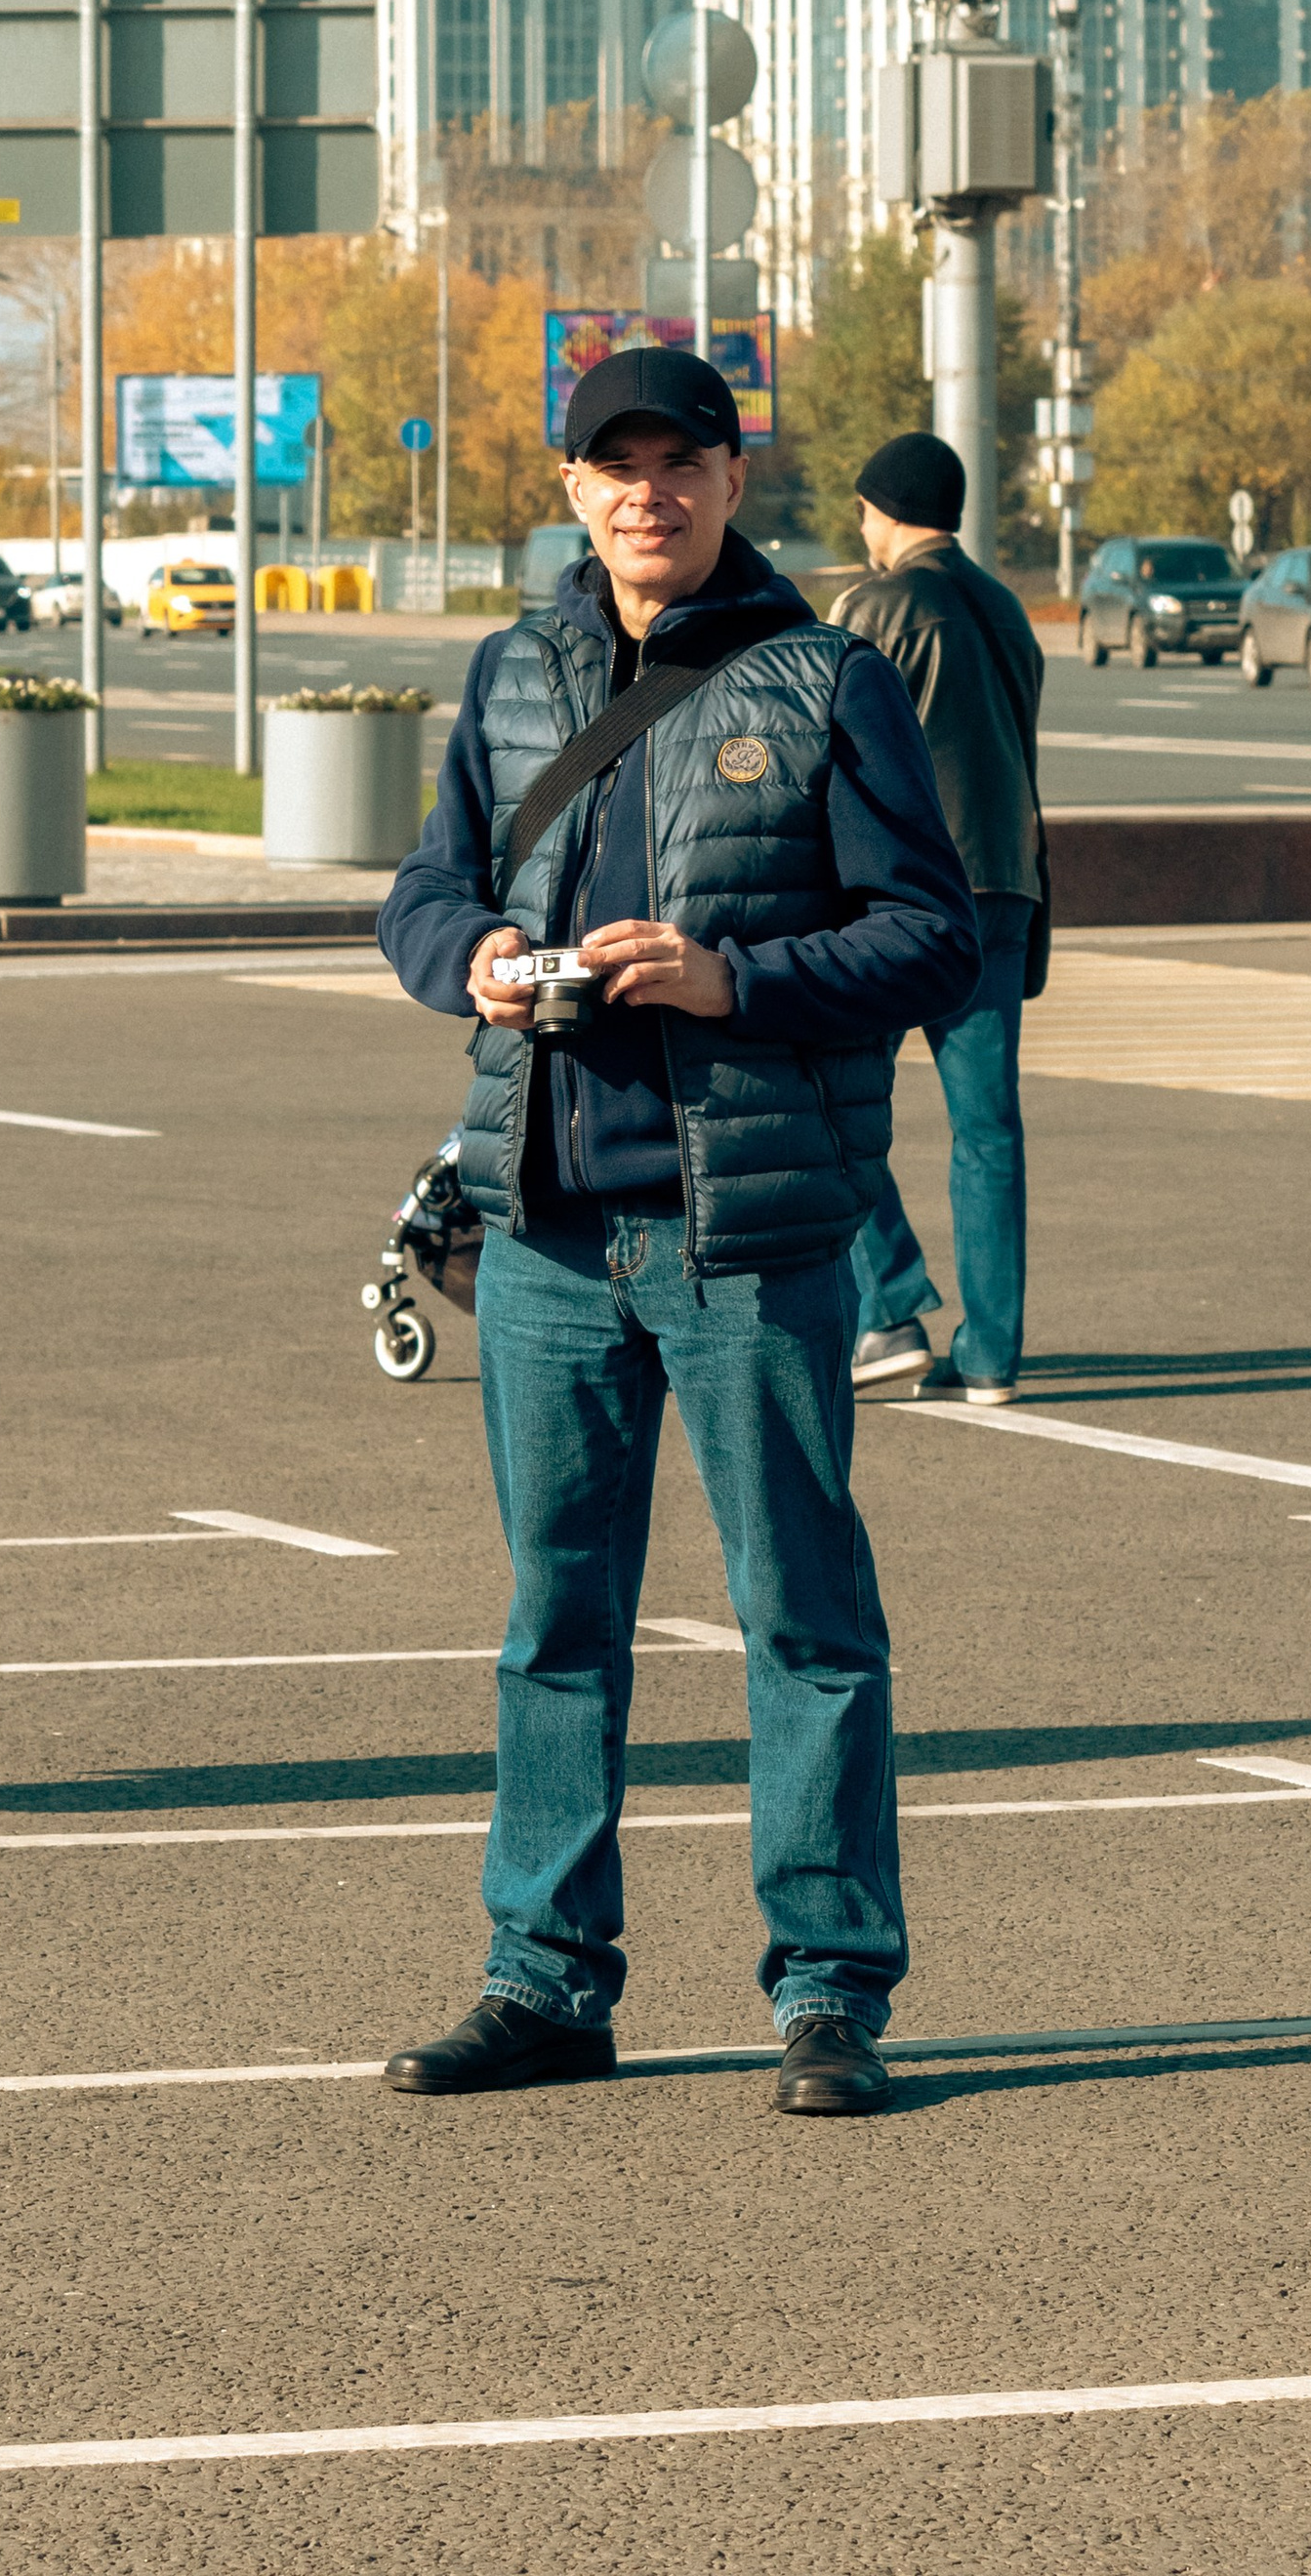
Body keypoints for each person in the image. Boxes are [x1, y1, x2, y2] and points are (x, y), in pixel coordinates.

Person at [376, 346, 979, 2116]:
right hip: (549, 1231)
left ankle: (830, 1993)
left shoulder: (824, 679)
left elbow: (933, 935)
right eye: (616, 464)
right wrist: (474, 958)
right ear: (572, 488)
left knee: (803, 1618)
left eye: (681, 462)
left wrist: (734, 979)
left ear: (732, 479)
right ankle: (545, 1980)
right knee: (556, 1622)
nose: (649, 492)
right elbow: (426, 889)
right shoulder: (514, 674)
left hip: (746, 1234)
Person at [826, 432, 1045, 1409]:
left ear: (884, 510)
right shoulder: (1006, 609)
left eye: (863, 511)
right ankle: (991, 1356)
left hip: (903, 896)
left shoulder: (874, 606)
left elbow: (834, 748)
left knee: (827, 1099)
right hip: (1003, 885)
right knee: (987, 1130)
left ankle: (889, 1307)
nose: (862, 529)